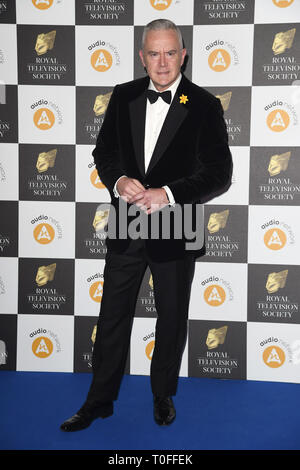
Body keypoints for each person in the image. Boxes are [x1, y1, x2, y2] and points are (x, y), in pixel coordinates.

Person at [60, 19, 232, 432]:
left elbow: (219, 173)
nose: (162, 61)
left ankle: (162, 395)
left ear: (183, 54)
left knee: (171, 318)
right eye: (153, 53)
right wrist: (118, 181)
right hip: (127, 220)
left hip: (179, 221)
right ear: (142, 56)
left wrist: (169, 194)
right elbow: (105, 153)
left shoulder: (205, 105)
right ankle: (99, 401)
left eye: (170, 52)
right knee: (113, 314)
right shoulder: (122, 96)